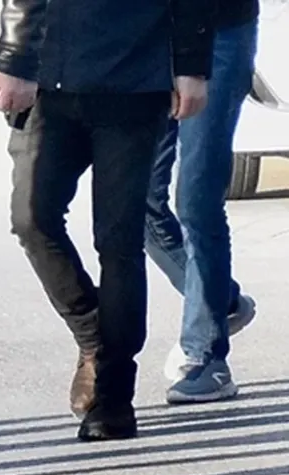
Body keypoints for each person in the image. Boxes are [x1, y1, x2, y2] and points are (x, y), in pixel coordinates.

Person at [0, 0, 213, 440]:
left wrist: (191, 63)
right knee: (31, 218)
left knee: (118, 240)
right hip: (49, 76)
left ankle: (114, 394)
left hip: (134, 76)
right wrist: (13, 57)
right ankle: (93, 333)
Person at [144, 0, 260, 404]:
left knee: (197, 199)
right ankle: (221, 302)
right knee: (139, 201)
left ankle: (207, 355)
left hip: (219, 34)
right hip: (149, 37)